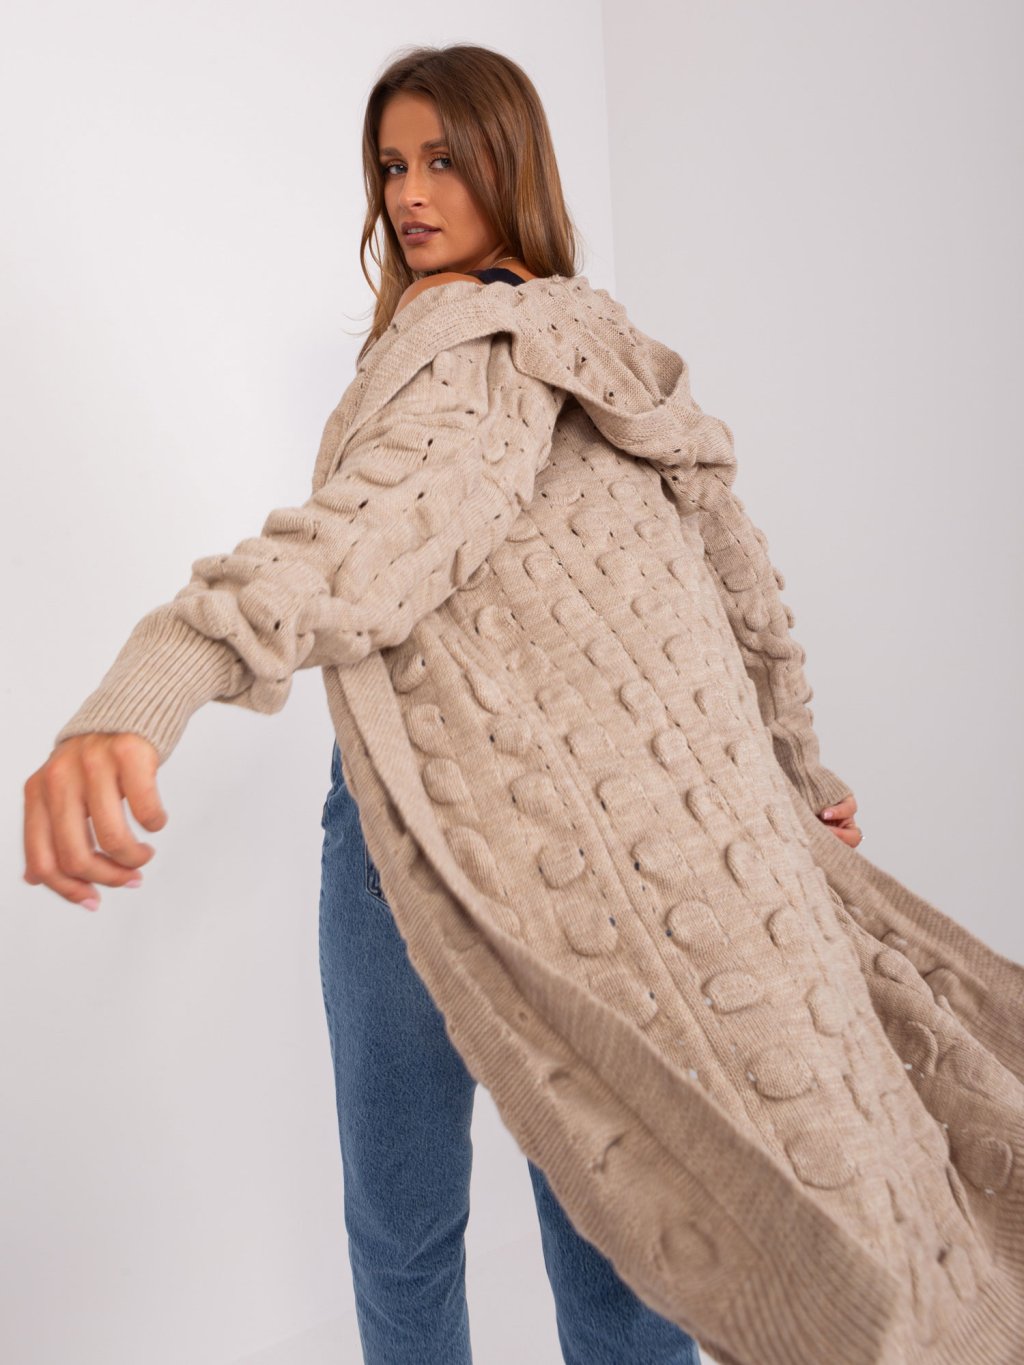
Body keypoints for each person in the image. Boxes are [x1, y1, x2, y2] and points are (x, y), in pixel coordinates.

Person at [29, 42, 1011, 1365]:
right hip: (545, 845)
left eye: (444, 159)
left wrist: (159, 674)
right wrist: (797, 769)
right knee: (626, 1232)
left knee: (420, 1225)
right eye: (391, 164)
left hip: (434, 837)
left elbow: (369, 533)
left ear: (513, 165)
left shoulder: (468, 341)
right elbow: (740, 591)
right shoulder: (613, 356)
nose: (410, 194)